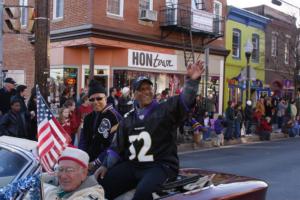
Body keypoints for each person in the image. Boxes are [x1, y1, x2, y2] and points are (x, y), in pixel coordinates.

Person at [95, 60, 205, 200]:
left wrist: (192, 82)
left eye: (149, 88)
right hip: (134, 165)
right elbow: (117, 147)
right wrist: (105, 165)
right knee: (104, 184)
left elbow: (185, 100)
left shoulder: (165, 109)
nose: (147, 92)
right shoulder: (128, 119)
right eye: (142, 89)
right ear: (134, 94)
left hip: (160, 166)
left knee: (143, 194)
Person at [79, 79, 122, 173]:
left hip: (105, 166)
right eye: (92, 99)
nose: (95, 102)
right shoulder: (88, 118)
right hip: (86, 163)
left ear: (105, 98)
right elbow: (83, 140)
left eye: (99, 98)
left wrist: (96, 162)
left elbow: (115, 145)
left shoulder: (114, 117)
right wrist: (81, 158)